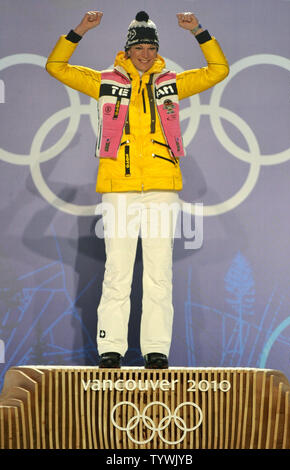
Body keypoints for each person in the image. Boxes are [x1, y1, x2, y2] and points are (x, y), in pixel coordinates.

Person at [45, 10, 229, 369]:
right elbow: (56, 65)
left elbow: (219, 70)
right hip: (119, 188)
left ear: (157, 50)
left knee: (159, 272)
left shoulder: (171, 82)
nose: (145, 53)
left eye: (150, 47)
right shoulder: (103, 81)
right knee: (117, 271)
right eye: (139, 47)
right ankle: (110, 347)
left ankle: (155, 348)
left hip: (162, 188)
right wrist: (80, 29)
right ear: (127, 50)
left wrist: (199, 31)